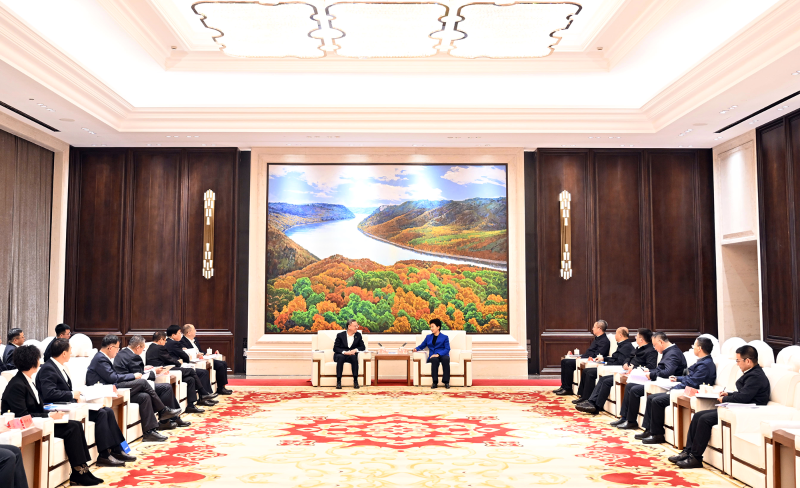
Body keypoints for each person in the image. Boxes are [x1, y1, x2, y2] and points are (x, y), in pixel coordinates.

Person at [0, 345, 101, 486]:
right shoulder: (17, 385)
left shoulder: (27, 380)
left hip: (40, 422)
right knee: (72, 428)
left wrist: (50, 413)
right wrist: (48, 417)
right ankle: (79, 472)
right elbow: (23, 415)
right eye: (38, 358)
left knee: (76, 425)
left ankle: (83, 470)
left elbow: (37, 407)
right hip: (31, 427)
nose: (40, 361)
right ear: (33, 362)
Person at [36, 339, 135, 467]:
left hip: (71, 405)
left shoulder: (59, 367)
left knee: (108, 411)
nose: (71, 353)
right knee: (101, 414)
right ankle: (104, 455)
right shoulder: (48, 369)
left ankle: (117, 449)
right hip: (60, 409)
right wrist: (72, 394)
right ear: (64, 353)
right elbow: (49, 394)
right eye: (70, 350)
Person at [671, 345, 770, 469]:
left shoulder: (755, 376)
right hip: (739, 407)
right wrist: (728, 394)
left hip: (746, 410)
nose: (737, 364)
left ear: (748, 361)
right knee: (698, 415)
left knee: (704, 419)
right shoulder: (752, 373)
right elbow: (744, 394)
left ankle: (695, 458)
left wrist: (725, 399)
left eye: (738, 360)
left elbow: (744, 398)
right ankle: (688, 451)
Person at [85, 334, 181, 442]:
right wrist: (133, 376)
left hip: (112, 387)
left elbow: (113, 376)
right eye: (117, 348)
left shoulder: (103, 358)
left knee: (144, 396)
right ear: (110, 348)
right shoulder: (100, 358)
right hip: (105, 390)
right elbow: (112, 378)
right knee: (142, 382)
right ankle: (163, 410)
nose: (118, 351)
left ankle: (149, 432)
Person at [637, 337, 717, 444]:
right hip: (686, 388)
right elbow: (691, 378)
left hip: (690, 392)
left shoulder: (705, 365)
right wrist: (678, 378)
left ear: (699, 348)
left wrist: (673, 389)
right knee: (651, 398)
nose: (692, 348)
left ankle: (657, 435)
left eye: (694, 346)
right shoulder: (703, 362)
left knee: (657, 401)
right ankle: (649, 430)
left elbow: (692, 382)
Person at [611, 331, 687, 429]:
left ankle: (631, 421)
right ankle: (625, 417)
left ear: (661, 342)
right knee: (630, 385)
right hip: (660, 381)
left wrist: (651, 374)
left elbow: (667, 372)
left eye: (655, 345)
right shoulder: (669, 351)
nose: (654, 348)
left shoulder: (673, 353)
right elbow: (661, 369)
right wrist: (649, 371)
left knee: (634, 389)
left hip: (666, 383)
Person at [113, 335, 192, 430]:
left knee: (166, 387)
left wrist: (146, 369)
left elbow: (134, 371)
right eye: (142, 349)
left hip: (130, 383)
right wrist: (154, 372)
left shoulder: (123, 353)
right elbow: (139, 376)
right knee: (165, 388)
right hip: (131, 385)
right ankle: (167, 416)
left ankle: (167, 419)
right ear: (138, 347)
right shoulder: (134, 356)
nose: (142, 352)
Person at [576, 328, 658, 415]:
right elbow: (628, 358)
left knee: (607, 381)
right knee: (603, 379)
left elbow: (651, 367)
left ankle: (597, 406)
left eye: (636, 336)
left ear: (641, 339)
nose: (635, 338)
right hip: (626, 373)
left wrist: (634, 368)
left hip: (637, 376)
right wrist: (626, 364)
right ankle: (591, 402)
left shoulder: (651, 351)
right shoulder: (637, 348)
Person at [147, 331, 215, 412]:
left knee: (190, 379)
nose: (165, 342)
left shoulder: (151, 347)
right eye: (165, 340)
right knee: (191, 370)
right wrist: (178, 362)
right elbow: (169, 359)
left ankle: (190, 405)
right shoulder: (159, 347)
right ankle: (203, 392)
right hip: (163, 370)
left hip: (162, 368)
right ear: (161, 340)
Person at [573, 327, 634, 404]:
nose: (615, 336)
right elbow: (614, 358)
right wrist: (603, 359)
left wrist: (605, 365)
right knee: (586, 371)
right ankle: (582, 396)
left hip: (613, 368)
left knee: (590, 373)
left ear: (620, 335)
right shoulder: (622, 345)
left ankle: (586, 398)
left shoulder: (626, 346)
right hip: (610, 366)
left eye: (616, 334)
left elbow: (619, 362)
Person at [554, 320, 610, 396]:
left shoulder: (604, 341)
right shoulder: (597, 338)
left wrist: (582, 358)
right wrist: (581, 356)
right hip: (585, 358)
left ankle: (568, 389)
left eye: (594, 327)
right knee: (564, 361)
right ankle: (563, 386)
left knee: (568, 363)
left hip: (590, 360)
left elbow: (597, 355)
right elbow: (590, 352)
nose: (592, 329)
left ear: (599, 329)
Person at [179, 324, 232, 395]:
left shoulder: (195, 340)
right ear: (189, 332)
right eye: (194, 330)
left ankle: (222, 386)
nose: (196, 331)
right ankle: (220, 388)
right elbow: (186, 354)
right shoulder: (182, 342)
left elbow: (200, 350)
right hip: (195, 361)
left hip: (203, 358)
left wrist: (205, 354)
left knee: (223, 363)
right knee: (220, 365)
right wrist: (196, 355)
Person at [165, 325, 215, 396]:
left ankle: (204, 395)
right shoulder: (174, 343)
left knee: (192, 378)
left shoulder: (169, 342)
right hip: (175, 367)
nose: (181, 335)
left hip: (177, 365)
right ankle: (206, 394)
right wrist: (185, 354)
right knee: (203, 372)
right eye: (179, 333)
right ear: (173, 335)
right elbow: (186, 357)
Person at [411, 319, 452, 389]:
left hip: (442, 354)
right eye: (430, 327)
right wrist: (416, 349)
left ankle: (446, 382)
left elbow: (447, 349)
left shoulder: (445, 337)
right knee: (434, 360)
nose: (431, 329)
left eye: (433, 326)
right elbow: (422, 345)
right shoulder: (428, 337)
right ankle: (435, 382)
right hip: (433, 355)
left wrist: (438, 354)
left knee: (446, 359)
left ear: (438, 327)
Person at [332, 319, 366, 389]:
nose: (357, 327)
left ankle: (355, 381)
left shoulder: (358, 335)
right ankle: (338, 382)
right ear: (349, 326)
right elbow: (335, 348)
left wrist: (355, 350)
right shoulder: (340, 335)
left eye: (357, 326)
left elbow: (363, 347)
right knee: (341, 357)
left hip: (351, 355)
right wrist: (345, 352)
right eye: (355, 326)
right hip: (341, 354)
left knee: (354, 357)